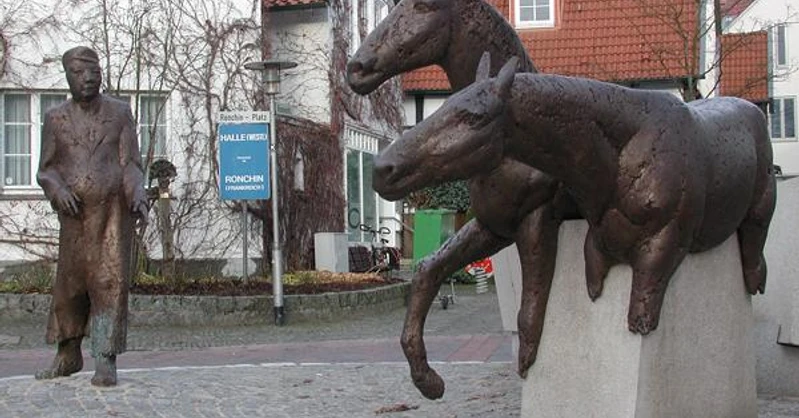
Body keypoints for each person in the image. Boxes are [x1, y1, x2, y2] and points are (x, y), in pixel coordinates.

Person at [35, 46, 148, 386]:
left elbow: (130, 164)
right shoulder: (55, 118)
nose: (87, 79)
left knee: (108, 282)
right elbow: (46, 170)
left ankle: (105, 357)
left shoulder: (120, 112)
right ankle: (67, 353)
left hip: (112, 214)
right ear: (68, 76)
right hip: (74, 216)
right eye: (79, 73)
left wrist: (138, 193)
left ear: (100, 74)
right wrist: (58, 191)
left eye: (92, 72)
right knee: (69, 286)